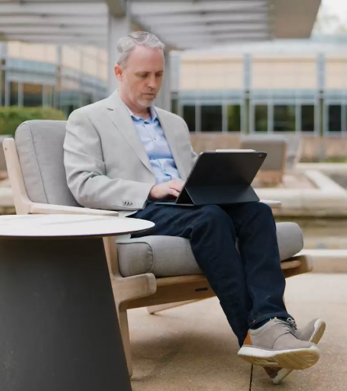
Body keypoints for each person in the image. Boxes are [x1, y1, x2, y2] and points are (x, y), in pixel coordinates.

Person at [63, 31, 325, 383]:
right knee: (211, 218)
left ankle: (273, 324)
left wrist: (221, 178)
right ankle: (256, 337)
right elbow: (83, 183)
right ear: (119, 72)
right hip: (139, 210)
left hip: (188, 204)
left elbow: (189, 173)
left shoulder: (173, 123)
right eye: (143, 75)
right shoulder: (88, 118)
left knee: (256, 211)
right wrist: (150, 189)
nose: (152, 84)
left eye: (158, 74)